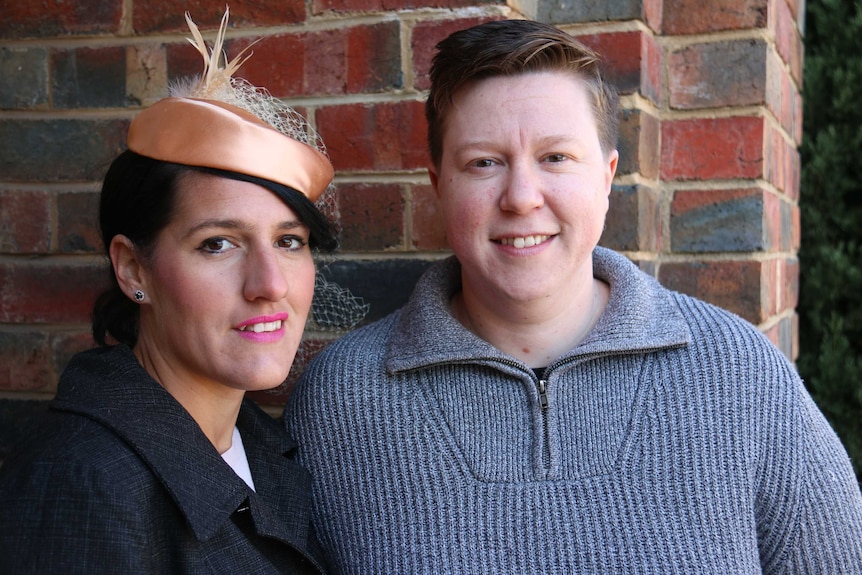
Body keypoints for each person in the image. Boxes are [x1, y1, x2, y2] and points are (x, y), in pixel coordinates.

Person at [284, 19, 862, 574]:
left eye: (555, 157)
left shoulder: (740, 376)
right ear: (439, 185)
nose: (521, 197)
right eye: (484, 163)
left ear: (607, 177)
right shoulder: (340, 401)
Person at [0, 9, 336, 574]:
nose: (270, 285)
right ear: (134, 270)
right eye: (217, 244)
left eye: (289, 241)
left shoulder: (263, 445)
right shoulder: (85, 483)